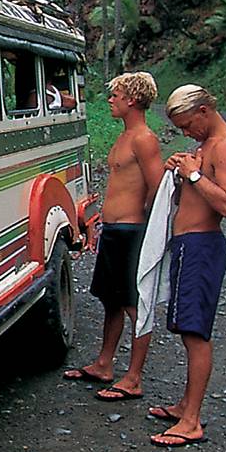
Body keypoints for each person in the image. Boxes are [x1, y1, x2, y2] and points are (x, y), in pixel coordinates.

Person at [147, 84, 226, 447]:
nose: (186, 133)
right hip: (189, 245)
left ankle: (192, 421)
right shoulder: (206, 147)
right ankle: (185, 405)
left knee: (195, 332)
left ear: (205, 111)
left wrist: (192, 174)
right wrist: (182, 168)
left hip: (204, 246)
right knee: (184, 326)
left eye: (189, 125)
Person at [62, 71, 163, 400]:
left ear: (132, 100)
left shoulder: (143, 139)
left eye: (116, 95)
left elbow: (157, 186)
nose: (110, 100)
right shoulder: (124, 136)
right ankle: (105, 363)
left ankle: (133, 377)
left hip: (132, 231)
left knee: (135, 304)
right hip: (115, 229)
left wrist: (141, 222)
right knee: (111, 300)